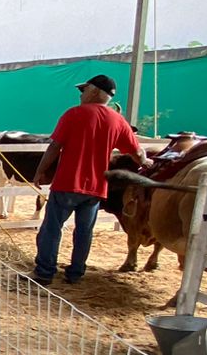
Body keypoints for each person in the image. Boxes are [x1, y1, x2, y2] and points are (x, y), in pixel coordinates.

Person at [31, 74, 147, 286]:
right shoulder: (118, 121)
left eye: (83, 91)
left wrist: (40, 171)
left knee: (52, 228)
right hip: (96, 188)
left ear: (93, 91)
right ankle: (75, 273)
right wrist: (146, 162)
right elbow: (137, 153)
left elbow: (55, 146)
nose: (81, 95)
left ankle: (45, 272)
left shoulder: (74, 114)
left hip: (67, 183)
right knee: (84, 232)